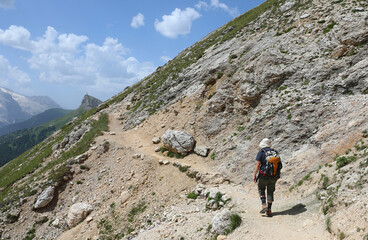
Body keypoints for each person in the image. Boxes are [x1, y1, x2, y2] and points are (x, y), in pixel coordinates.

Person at [253, 138, 281, 217]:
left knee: (261, 188)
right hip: (274, 176)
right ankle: (269, 210)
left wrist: (255, 175)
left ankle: (263, 204)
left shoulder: (262, 152)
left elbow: (258, 165)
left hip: (264, 175)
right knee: (270, 191)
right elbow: (280, 164)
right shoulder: (275, 152)